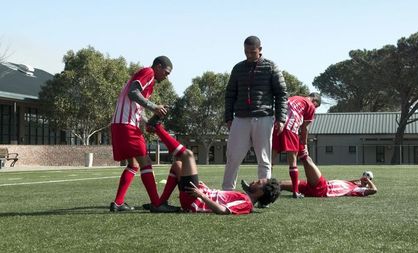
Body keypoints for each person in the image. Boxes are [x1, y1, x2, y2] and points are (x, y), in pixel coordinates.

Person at [144, 116, 281, 214]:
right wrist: (206, 189)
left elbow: (222, 210)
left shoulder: (246, 204)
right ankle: (160, 203)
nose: (254, 181)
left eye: (258, 182)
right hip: (197, 195)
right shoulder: (244, 197)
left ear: (260, 192)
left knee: (188, 155)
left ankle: (157, 128)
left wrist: (201, 195)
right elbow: (220, 198)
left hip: (194, 201)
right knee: (177, 165)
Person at [109, 56, 179, 213]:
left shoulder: (150, 81)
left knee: (133, 164)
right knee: (146, 161)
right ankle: (156, 203)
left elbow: (135, 106)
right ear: (158, 67)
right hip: (127, 125)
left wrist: (148, 122)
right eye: (166, 73)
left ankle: (118, 203)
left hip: (120, 124)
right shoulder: (148, 72)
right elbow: (133, 93)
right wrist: (154, 106)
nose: (166, 77)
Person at [222, 35, 288, 191]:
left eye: (252, 51)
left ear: (260, 50)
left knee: (264, 159)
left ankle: (264, 194)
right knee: (232, 157)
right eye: (246, 51)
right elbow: (230, 93)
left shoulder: (271, 67)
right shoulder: (238, 68)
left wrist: (281, 118)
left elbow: (281, 94)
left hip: (264, 118)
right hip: (240, 118)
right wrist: (228, 117)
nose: (249, 55)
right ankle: (227, 191)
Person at [271, 93, 321, 198]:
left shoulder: (294, 98)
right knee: (292, 160)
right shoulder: (310, 105)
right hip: (291, 126)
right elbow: (305, 128)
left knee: (270, 159)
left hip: (276, 123)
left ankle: (262, 187)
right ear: (315, 102)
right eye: (316, 107)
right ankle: (295, 191)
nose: (315, 109)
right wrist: (305, 144)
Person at [280, 157, 377, 197]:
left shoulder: (358, 190)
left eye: (366, 181)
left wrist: (368, 181)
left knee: (307, 159)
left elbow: (374, 190)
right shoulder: (352, 184)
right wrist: (358, 180)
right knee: (280, 184)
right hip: (313, 189)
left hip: (322, 189)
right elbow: (348, 182)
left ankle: (298, 140)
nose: (363, 180)